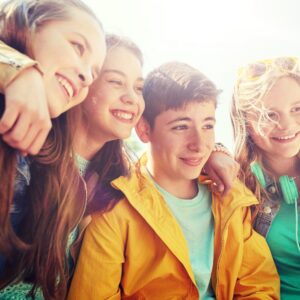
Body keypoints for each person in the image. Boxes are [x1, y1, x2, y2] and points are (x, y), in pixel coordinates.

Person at [68, 61, 279, 300]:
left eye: (207, 125)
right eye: (181, 127)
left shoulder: (230, 198)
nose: (199, 144)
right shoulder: (114, 209)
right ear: (144, 130)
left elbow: (260, 288)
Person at [0, 0, 106, 299]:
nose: (86, 75)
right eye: (78, 46)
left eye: (93, 73)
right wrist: (17, 68)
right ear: (30, 25)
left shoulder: (48, 166)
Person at [231, 56, 300, 299]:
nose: (287, 124)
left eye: (297, 108)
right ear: (245, 122)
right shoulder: (235, 187)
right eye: (270, 115)